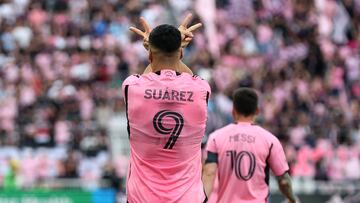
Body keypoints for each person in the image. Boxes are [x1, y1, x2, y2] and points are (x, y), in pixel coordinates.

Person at [123, 14, 210, 202]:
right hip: (189, 198)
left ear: (149, 54)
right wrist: (176, 49)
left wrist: (161, 52)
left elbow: (150, 74)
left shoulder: (132, 87)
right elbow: (188, 78)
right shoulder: (201, 89)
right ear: (181, 53)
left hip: (142, 198)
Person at [202, 88, 298, 203]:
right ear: (257, 111)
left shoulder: (216, 137)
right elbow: (283, 180)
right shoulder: (270, 140)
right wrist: (291, 198)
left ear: (233, 111)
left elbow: (209, 172)